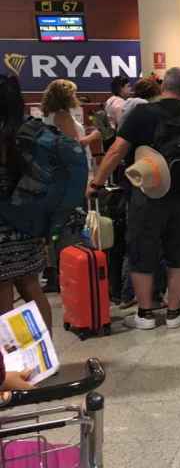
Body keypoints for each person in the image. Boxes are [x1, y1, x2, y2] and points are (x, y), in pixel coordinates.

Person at [87, 67, 180, 330]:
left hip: (147, 195)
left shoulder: (142, 114)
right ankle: (174, 313)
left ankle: (144, 314)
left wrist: (96, 182)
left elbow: (115, 152)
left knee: (141, 250)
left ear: (162, 87)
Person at [0, 75, 54, 332]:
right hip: (27, 223)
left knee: (3, 293)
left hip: (3, 227)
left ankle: (10, 365)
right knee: (31, 286)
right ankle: (44, 356)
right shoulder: (31, 133)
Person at [41, 79, 101, 174]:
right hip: (73, 166)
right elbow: (75, 145)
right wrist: (94, 135)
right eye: (73, 94)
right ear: (66, 97)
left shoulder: (48, 113)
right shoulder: (63, 115)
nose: (75, 97)